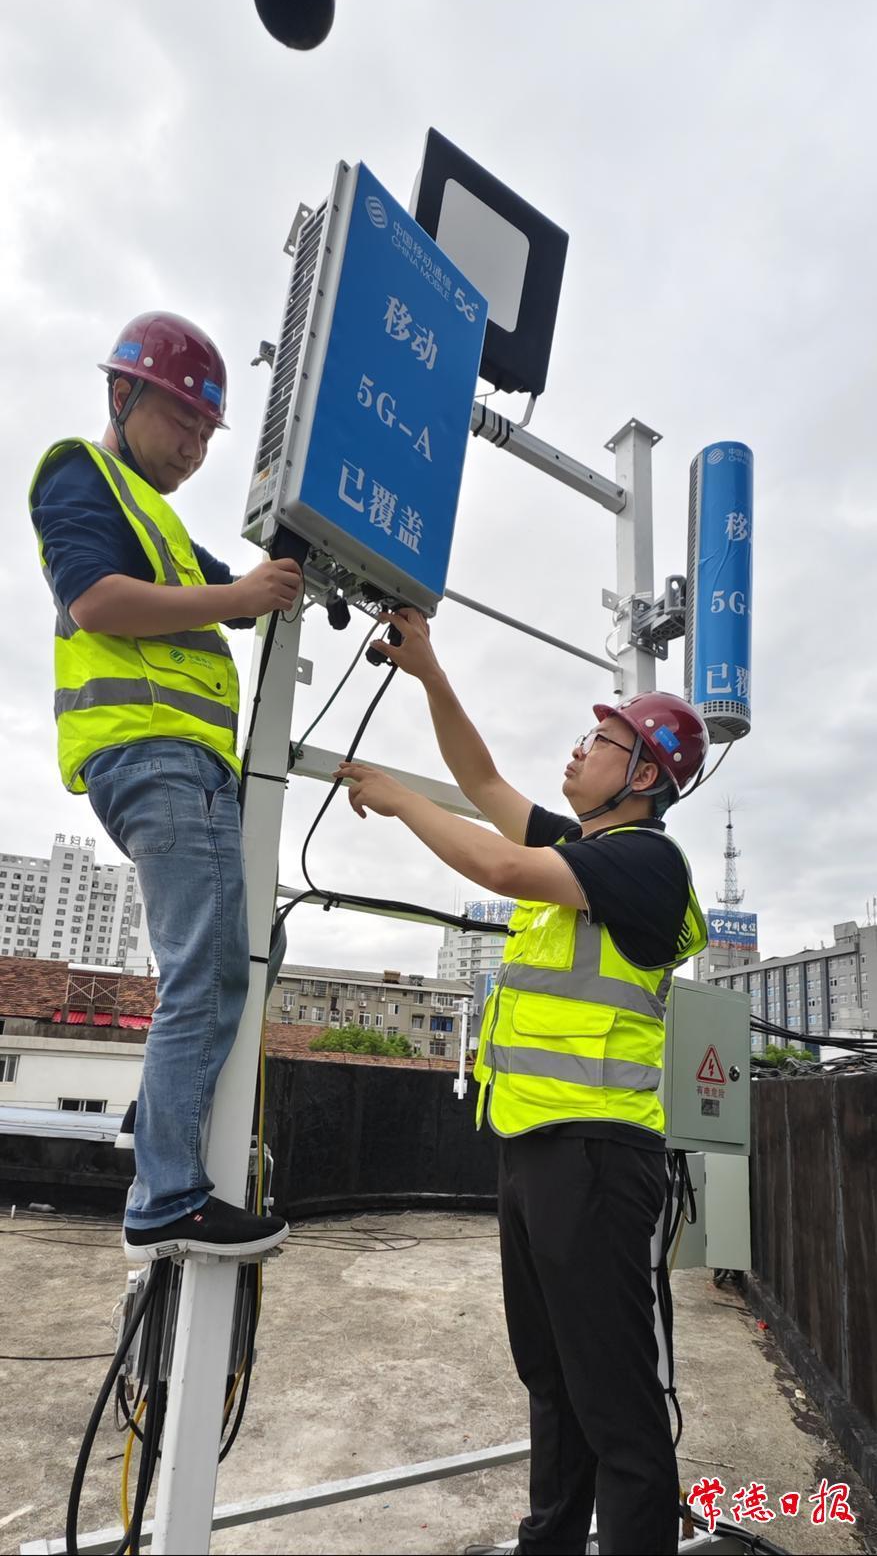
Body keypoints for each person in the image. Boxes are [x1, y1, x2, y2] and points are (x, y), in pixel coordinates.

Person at [333, 608, 709, 1556]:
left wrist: (396, 798)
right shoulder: (586, 850)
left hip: (596, 1155)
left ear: (645, 776)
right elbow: (482, 784)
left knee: (613, 1402)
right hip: (536, 1149)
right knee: (552, 1379)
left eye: (601, 742)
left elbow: (497, 862)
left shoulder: (643, 861)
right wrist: (429, 672)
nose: (578, 749)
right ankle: (550, 1541)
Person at [29, 311, 303, 1264]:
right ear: (121, 394)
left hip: (182, 765)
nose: (194, 446)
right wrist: (240, 598)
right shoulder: (80, 474)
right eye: (182, 420)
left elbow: (242, 591)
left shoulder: (161, 523)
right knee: (210, 966)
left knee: (245, 943)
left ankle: (159, 1119)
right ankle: (168, 1197)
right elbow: (95, 598)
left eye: (205, 433)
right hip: (153, 755)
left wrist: (281, 578)